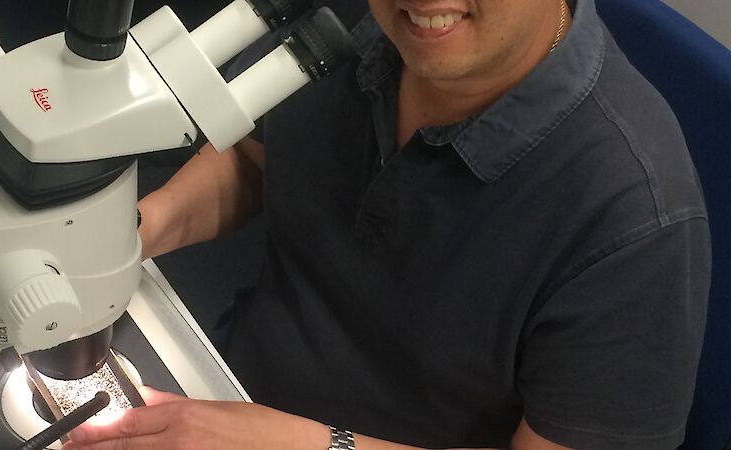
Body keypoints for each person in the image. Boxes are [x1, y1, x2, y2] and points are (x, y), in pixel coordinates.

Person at [63, 0, 711, 448]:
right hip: (222, 392)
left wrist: (303, 445)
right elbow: (255, 158)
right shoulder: (359, 24)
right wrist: (132, 234)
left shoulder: (637, 221)